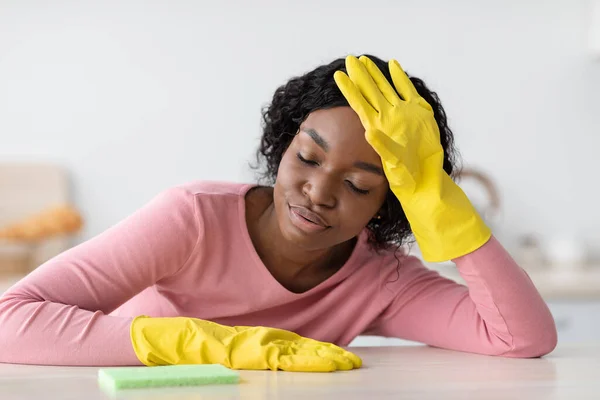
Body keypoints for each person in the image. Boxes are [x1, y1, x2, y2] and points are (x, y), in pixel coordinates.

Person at [0, 55, 557, 372]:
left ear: (391, 201)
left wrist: (440, 202)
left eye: (360, 185)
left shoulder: (381, 280)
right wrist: (205, 343)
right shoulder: (192, 220)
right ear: (282, 146)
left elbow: (520, 337)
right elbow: (10, 320)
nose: (317, 192)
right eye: (308, 157)